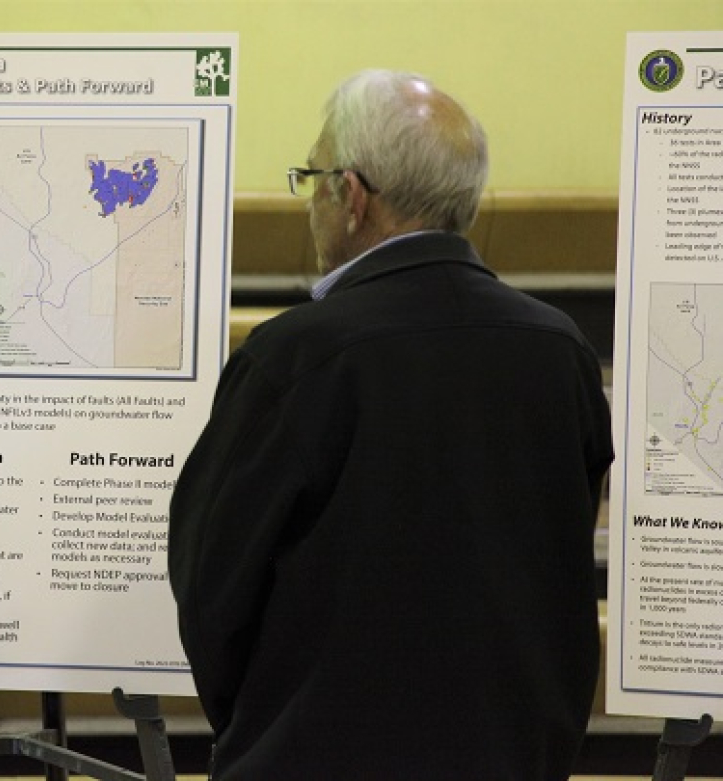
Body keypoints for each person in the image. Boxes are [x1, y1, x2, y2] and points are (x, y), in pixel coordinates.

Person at [168, 70, 612, 780]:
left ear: (350, 196)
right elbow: (561, 562)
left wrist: (267, 720)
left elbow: (212, 586)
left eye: (311, 178)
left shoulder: (295, 356)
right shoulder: (559, 350)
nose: (308, 201)